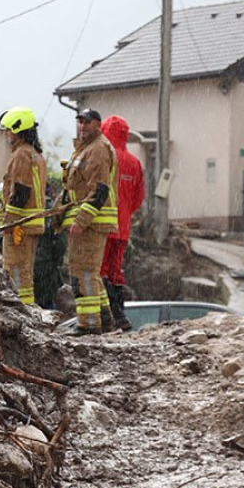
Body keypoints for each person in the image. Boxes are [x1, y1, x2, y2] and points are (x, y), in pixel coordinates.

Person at [61, 108, 119, 334]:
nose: (82, 126)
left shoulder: (97, 149)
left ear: (98, 124)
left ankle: (88, 324)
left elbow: (99, 190)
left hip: (91, 223)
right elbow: (75, 187)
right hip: (87, 220)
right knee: (90, 272)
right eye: (80, 122)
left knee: (82, 271)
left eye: (87, 122)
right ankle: (104, 320)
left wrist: (81, 220)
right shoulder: (86, 149)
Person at [0, 107, 48, 306]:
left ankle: (20, 310)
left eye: (9, 130)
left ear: (19, 130)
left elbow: (20, 191)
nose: (7, 135)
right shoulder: (35, 154)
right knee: (25, 270)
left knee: (15, 270)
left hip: (20, 224)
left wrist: (9, 221)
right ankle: (26, 307)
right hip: (32, 223)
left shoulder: (21, 154)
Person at [101, 115, 146, 330]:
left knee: (99, 270)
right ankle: (120, 314)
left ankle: (110, 314)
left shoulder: (104, 157)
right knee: (115, 270)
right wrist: (125, 212)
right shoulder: (134, 163)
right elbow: (138, 199)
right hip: (123, 228)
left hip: (102, 224)